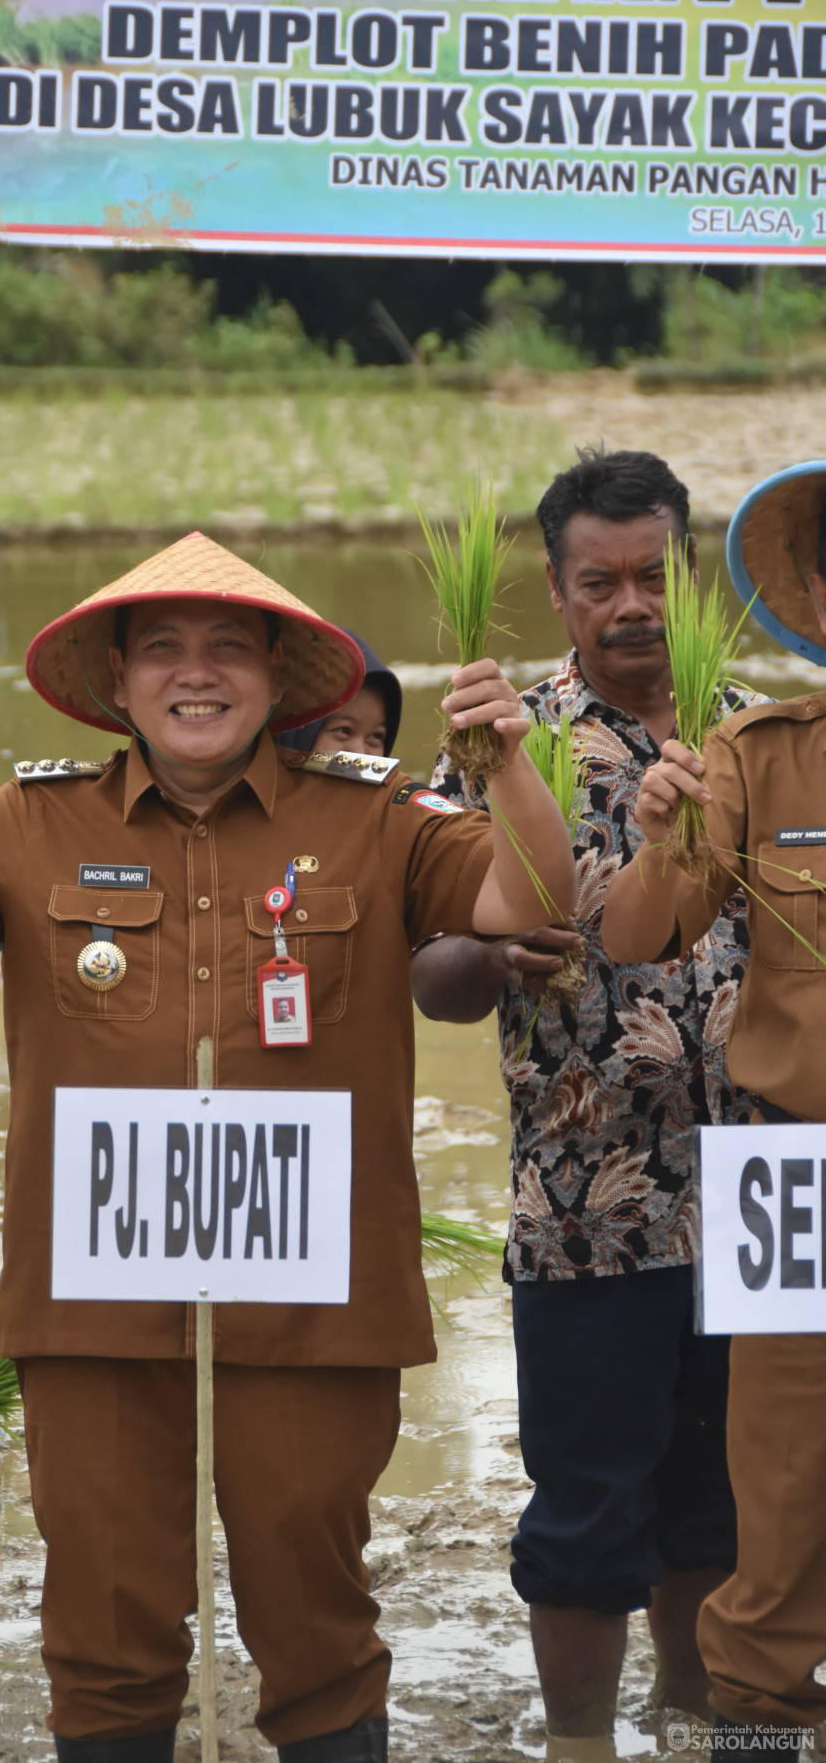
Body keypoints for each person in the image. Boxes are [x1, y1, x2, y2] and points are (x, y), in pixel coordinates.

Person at [0, 530, 575, 1763]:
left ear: (274, 678)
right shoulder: (32, 818)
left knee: (316, 1620)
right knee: (103, 1624)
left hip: (311, 1301)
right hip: (97, 1302)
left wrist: (508, 765)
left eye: (224, 649)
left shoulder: (375, 821)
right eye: (162, 651)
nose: (193, 674)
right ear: (118, 681)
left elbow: (529, 902)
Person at [411, 449, 759, 1750]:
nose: (629, 603)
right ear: (555, 594)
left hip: (758, 1197)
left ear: (688, 570)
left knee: (730, 1495)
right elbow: (428, 972)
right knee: (587, 1501)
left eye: (650, 573)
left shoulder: (763, 736)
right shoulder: (499, 749)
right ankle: (579, 1740)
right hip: (585, 1200)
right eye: (596, 579)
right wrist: (490, 950)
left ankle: (701, 1705)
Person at [601, 459, 826, 1761]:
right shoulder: (755, 756)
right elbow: (640, 935)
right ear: (814, 587)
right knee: (783, 1500)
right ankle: (761, 1721)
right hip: (795, 1178)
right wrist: (659, 828)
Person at [275, 631, 402, 761]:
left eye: (376, 736)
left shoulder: (396, 781)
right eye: (344, 730)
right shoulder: (258, 777)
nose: (359, 754)